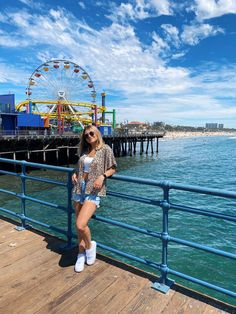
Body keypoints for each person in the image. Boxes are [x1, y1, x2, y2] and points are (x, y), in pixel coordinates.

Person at [72, 125, 117, 272]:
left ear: (97, 134)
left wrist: (102, 176)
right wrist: (75, 173)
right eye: (86, 135)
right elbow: (81, 166)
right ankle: (80, 253)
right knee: (79, 227)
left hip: (93, 190)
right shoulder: (84, 150)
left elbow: (113, 167)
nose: (89, 136)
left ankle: (90, 248)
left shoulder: (105, 149)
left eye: (92, 133)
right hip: (79, 188)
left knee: (80, 224)